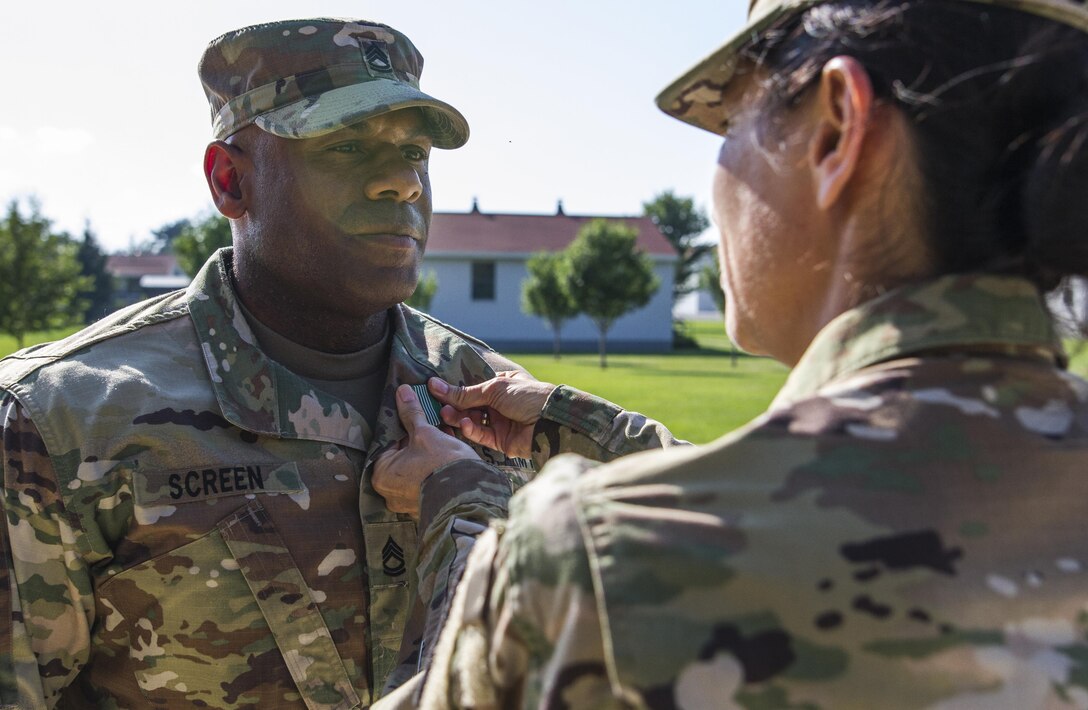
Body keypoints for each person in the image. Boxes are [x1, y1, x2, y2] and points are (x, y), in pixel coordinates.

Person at [374, 0, 1088, 707]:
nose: (718, 177)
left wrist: (462, 506)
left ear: (837, 129)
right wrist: (565, 417)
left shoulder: (596, 573)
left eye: (732, 119)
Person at [0, 18, 540, 709]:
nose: (403, 183)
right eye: (345, 146)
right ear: (230, 181)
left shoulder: (495, 402)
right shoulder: (62, 423)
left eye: (416, 152)